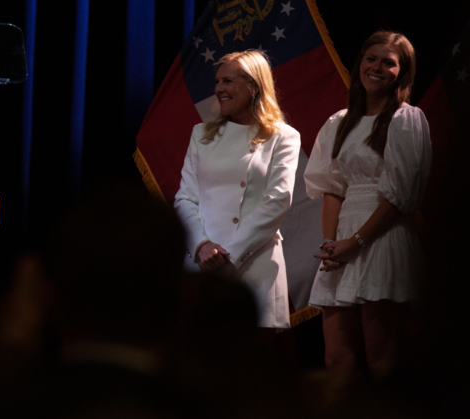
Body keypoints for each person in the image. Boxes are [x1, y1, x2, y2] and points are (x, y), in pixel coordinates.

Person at [306, 31, 431, 377]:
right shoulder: (338, 122)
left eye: (388, 62)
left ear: (402, 72)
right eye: (370, 58)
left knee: (381, 359)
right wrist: (331, 244)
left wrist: (356, 242)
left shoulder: (406, 119)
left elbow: (400, 196)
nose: (376, 67)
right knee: (336, 360)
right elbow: (332, 188)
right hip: (342, 243)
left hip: (382, 238)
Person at [173, 49, 301, 329]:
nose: (219, 89)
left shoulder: (283, 137)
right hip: (203, 264)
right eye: (217, 82)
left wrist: (230, 257)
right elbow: (184, 199)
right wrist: (203, 246)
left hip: (255, 264)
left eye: (228, 81)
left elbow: (278, 200)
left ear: (254, 85)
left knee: (251, 364)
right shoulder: (201, 134)